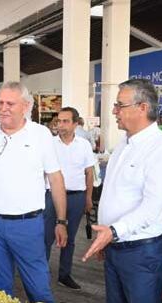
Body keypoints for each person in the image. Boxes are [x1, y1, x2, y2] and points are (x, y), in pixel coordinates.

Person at [82, 78, 162, 303]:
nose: (114, 111)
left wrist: (113, 231)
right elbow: (115, 193)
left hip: (142, 251)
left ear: (142, 107)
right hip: (116, 246)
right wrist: (108, 237)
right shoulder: (124, 144)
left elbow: (152, 206)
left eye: (119, 105)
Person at [0, 81, 69, 303]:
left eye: (10, 103)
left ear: (26, 106)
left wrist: (61, 220)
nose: (3, 108)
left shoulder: (40, 135)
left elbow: (56, 179)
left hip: (27, 225)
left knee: (38, 285)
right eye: (0, 102)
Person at [43, 107, 96, 290]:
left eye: (66, 121)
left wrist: (88, 198)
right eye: (59, 121)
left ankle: (64, 275)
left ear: (75, 124)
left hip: (76, 198)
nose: (61, 125)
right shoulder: (49, 144)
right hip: (52, 197)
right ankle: (41, 274)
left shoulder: (84, 145)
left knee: (70, 238)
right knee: (47, 236)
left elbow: (90, 173)